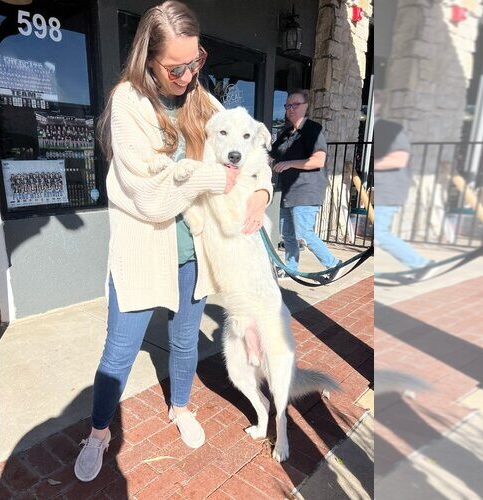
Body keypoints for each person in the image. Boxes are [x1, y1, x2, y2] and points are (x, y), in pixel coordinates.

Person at [74, 1, 273, 482]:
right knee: (119, 351)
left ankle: (180, 407)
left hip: (195, 253)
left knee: (185, 341)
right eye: (176, 67)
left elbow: (246, 147)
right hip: (142, 249)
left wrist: (262, 189)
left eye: (195, 62)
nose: (187, 75)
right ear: (149, 57)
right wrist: (207, 173)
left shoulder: (202, 101)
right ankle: (99, 433)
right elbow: (151, 197)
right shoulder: (128, 103)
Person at [270, 89, 341, 279]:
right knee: (288, 234)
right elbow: (271, 155)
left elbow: (318, 160)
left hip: (307, 190)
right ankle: (290, 268)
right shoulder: (286, 133)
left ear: (306, 106)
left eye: (296, 104)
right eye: (287, 105)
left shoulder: (312, 129)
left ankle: (333, 264)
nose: (290, 109)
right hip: (289, 191)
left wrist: (289, 163)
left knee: (303, 232)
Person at [373, 90, 433, 276]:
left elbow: (399, 159)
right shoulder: (379, 128)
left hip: (390, 189)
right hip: (385, 189)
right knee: (380, 234)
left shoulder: (389, 128)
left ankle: (421, 264)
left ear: (379, 105)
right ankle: (419, 264)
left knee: (380, 234)